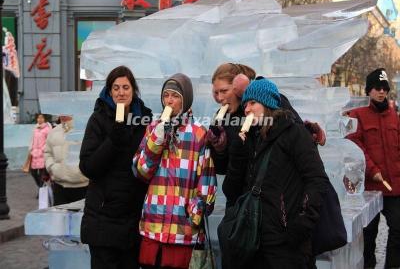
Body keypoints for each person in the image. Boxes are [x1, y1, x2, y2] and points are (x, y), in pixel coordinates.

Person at [222, 77, 329, 268]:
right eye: (245, 104)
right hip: (254, 241)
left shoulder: (293, 133)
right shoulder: (251, 139)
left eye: (252, 103)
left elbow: (316, 179)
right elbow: (231, 191)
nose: (246, 109)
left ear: (267, 104)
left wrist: (301, 224)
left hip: (286, 244)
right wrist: (237, 154)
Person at [134, 73, 217, 269]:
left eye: (175, 96)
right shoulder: (153, 129)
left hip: (183, 232)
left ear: (185, 99)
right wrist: (157, 139)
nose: (169, 101)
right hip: (153, 226)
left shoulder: (199, 134)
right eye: (166, 96)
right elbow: (141, 171)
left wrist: (193, 215)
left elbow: (207, 182)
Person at [79, 66, 153, 269]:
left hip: (133, 220)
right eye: (116, 88)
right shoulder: (99, 119)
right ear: (109, 91)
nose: (121, 92)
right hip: (104, 220)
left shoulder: (144, 120)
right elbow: (88, 167)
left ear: (133, 90)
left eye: (126, 87)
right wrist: (113, 140)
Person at [347, 68, 400, 269]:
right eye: (377, 88)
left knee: (398, 229)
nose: (381, 92)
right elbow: (355, 145)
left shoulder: (394, 115)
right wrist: (372, 169)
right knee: (369, 236)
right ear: (369, 90)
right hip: (369, 188)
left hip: (393, 186)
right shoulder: (357, 115)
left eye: (384, 88)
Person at [44, 115, 88, 205]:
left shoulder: (85, 128)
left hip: (83, 186)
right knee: (59, 218)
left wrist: (85, 171)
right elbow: (47, 153)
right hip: (59, 186)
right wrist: (52, 167)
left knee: (81, 218)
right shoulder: (54, 131)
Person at [29, 113, 51, 189]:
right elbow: (32, 140)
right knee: (33, 172)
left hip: (42, 154)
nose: (40, 119)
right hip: (34, 154)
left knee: (42, 173)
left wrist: (43, 149)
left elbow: (49, 141)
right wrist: (31, 149)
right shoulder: (35, 128)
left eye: (41, 118)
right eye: (38, 118)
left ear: (45, 119)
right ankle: (41, 187)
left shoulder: (47, 129)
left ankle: (41, 190)